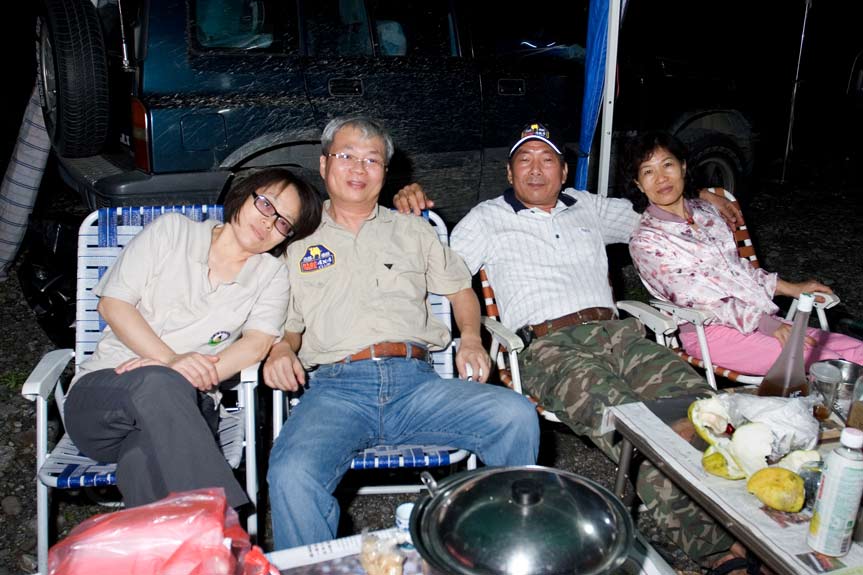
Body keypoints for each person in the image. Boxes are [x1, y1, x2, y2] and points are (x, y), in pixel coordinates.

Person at [402, 123, 752, 572]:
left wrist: (702, 196)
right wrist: (405, 204)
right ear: (509, 173)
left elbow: (658, 208)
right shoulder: (486, 218)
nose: (535, 169)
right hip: (550, 349)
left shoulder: (588, 206)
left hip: (620, 334)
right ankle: (719, 550)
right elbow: (439, 275)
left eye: (547, 160)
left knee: (704, 411)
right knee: (634, 428)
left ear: (564, 171)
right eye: (524, 160)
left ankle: (752, 524)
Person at [263, 116, 540, 550]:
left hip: (417, 387)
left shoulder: (413, 229)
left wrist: (471, 337)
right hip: (336, 390)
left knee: (515, 416)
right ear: (324, 164)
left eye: (371, 160)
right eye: (346, 156)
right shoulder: (297, 240)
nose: (359, 168)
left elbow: (460, 291)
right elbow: (290, 327)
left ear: (385, 172)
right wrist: (281, 349)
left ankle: (500, 548)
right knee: (291, 473)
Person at [64, 167, 323, 509]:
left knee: (140, 464)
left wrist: (174, 375)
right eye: (266, 205)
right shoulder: (172, 232)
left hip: (191, 407)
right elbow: (113, 305)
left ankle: (183, 541)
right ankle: (226, 519)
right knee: (156, 383)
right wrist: (169, 363)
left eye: (283, 223)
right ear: (244, 195)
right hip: (106, 395)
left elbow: (257, 344)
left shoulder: (271, 275)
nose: (268, 222)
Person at [625, 131, 863, 375]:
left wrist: (792, 288)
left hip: (757, 318)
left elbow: (738, 271)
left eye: (667, 165)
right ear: (639, 184)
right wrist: (767, 324)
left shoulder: (706, 212)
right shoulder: (646, 241)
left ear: (683, 167)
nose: (661, 178)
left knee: (857, 351)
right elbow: (700, 298)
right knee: (829, 365)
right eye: (648, 171)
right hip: (710, 332)